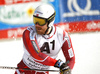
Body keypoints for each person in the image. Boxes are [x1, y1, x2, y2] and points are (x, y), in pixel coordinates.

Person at [15, 4, 75, 74]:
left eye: (40, 21)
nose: (37, 25)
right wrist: (58, 63)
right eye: (35, 20)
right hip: (24, 71)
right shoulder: (29, 33)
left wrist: (66, 70)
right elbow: (37, 55)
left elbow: (71, 59)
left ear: (50, 22)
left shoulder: (63, 36)